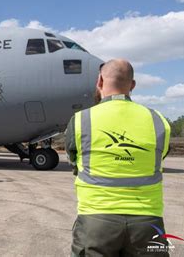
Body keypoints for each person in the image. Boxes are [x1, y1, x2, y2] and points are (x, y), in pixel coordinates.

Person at [66, 59, 171, 256]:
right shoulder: (158, 120)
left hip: (96, 222)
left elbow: (75, 164)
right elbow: (161, 157)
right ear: (132, 85)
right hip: (147, 223)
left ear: (99, 81)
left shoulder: (81, 120)